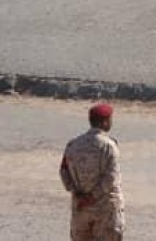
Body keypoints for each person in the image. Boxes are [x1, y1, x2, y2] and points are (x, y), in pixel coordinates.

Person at [60, 103, 125, 241]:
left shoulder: (73, 144)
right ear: (105, 122)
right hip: (105, 208)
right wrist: (93, 196)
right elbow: (111, 178)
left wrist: (77, 193)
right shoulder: (108, 146)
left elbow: (64, 172)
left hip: (81, 209)